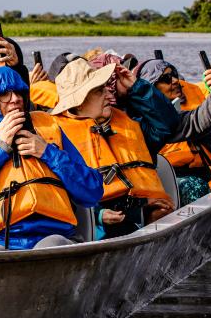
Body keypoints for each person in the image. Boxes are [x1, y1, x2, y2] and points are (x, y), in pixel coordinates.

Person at [0, 67, 103, 252]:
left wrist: (47, 152)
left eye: (19, 92)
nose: (15, 99)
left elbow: (93, 191)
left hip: (53, 235)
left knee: (51, 247)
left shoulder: (51, 129)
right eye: (4, 94)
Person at [50, 60, 175, 239]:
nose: (109, 94)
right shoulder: (57, 138)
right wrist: (98, 215)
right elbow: (57, 196)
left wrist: (137, 87)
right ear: (78, 103)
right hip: (96, 226)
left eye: (106, 88)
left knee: (161, 216)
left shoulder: (128, 123)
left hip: (140, 212)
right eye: (99, 90)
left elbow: (167, 124)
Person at [139, 59, 211, 202]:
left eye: (174, 74)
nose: (175, 80)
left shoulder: (182, 115)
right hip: (160, 180)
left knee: (199, 185)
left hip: (200, 174)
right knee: (194, 186)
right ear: (151, 88)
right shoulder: (139, 120)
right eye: (166, 78)